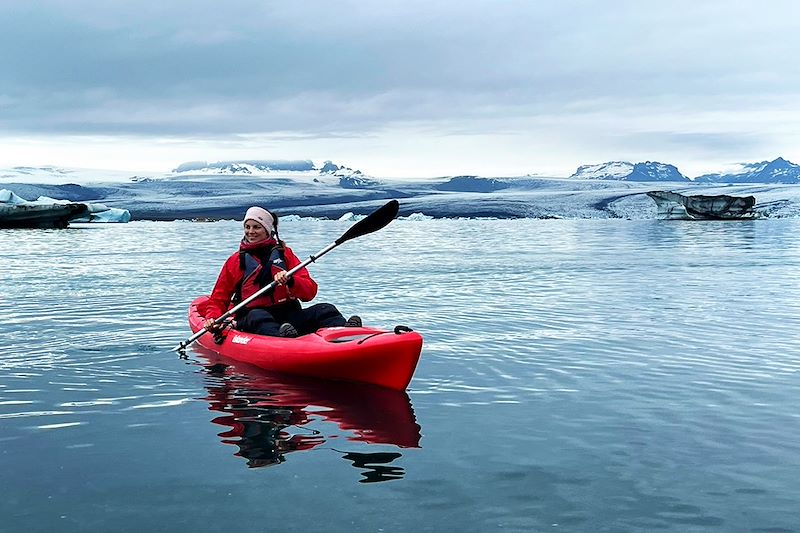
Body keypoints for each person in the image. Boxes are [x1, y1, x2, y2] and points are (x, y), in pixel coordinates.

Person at [203, 206, 361, 338]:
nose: (251, 232)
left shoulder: (285, 254)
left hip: (288, 316)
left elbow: (310, 292)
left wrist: (291, 281)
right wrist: (212, 318)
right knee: (259, 317)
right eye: (247, 227)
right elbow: (219, 298)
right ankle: (284, 340)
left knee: (325, 309)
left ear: (267, 230)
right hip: (252, 316)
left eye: (256, 227)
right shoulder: (235, 261)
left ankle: (346, 333)